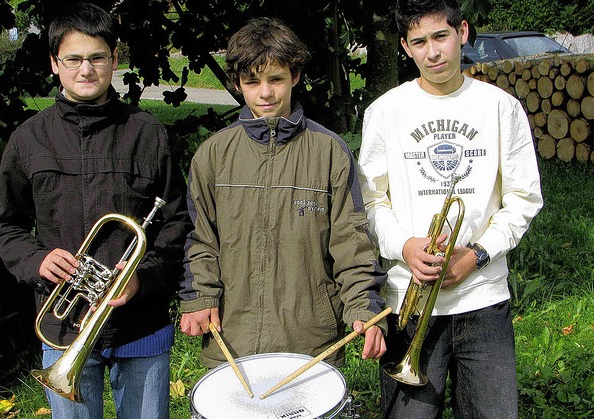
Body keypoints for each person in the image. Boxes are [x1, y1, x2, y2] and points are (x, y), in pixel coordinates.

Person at [0, 4, 190, 418]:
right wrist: (38, 259)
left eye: (97, 58)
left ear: (114, 60)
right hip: (64, 327)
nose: (86, 70)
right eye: (73, 59)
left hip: (141, 325)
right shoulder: (29, 139)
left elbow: (177, 224)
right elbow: (1, 224)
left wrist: (141, 279)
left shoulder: (147, 133)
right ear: (54, 64)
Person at [357, 0, 543, 417]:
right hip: (409, 298)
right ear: (405, 47)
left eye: (441, 36)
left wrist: (476, 256)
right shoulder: (385, 111)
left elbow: (524, 197)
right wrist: (404, 246)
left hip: (484, 300)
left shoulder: (500, 107)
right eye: (419, 42)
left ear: (462, 31)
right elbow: (370, 200)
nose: (433, 52)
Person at [179, 17, 388, 368]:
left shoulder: (329, 151)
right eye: (252, 81)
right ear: (238, 83)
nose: (265, 93)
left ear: (295, 76)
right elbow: (199, 239)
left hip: (309, 341)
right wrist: (199, 296)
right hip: (231, 340)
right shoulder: (213, 154)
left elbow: (352, 243)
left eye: (276, 79)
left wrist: (363, 306)